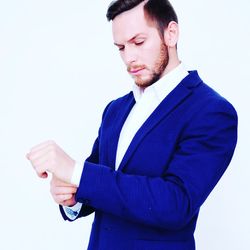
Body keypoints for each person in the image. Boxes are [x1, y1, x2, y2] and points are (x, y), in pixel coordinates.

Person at [27, 0, 238, 249]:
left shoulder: (212, 112)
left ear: (171, 33)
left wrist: (76, 172)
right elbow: (98, 183)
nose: (130, 58)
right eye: (120, 48)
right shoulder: (115, 110)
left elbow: (176, 204)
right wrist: (71, 197)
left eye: (138, 42)